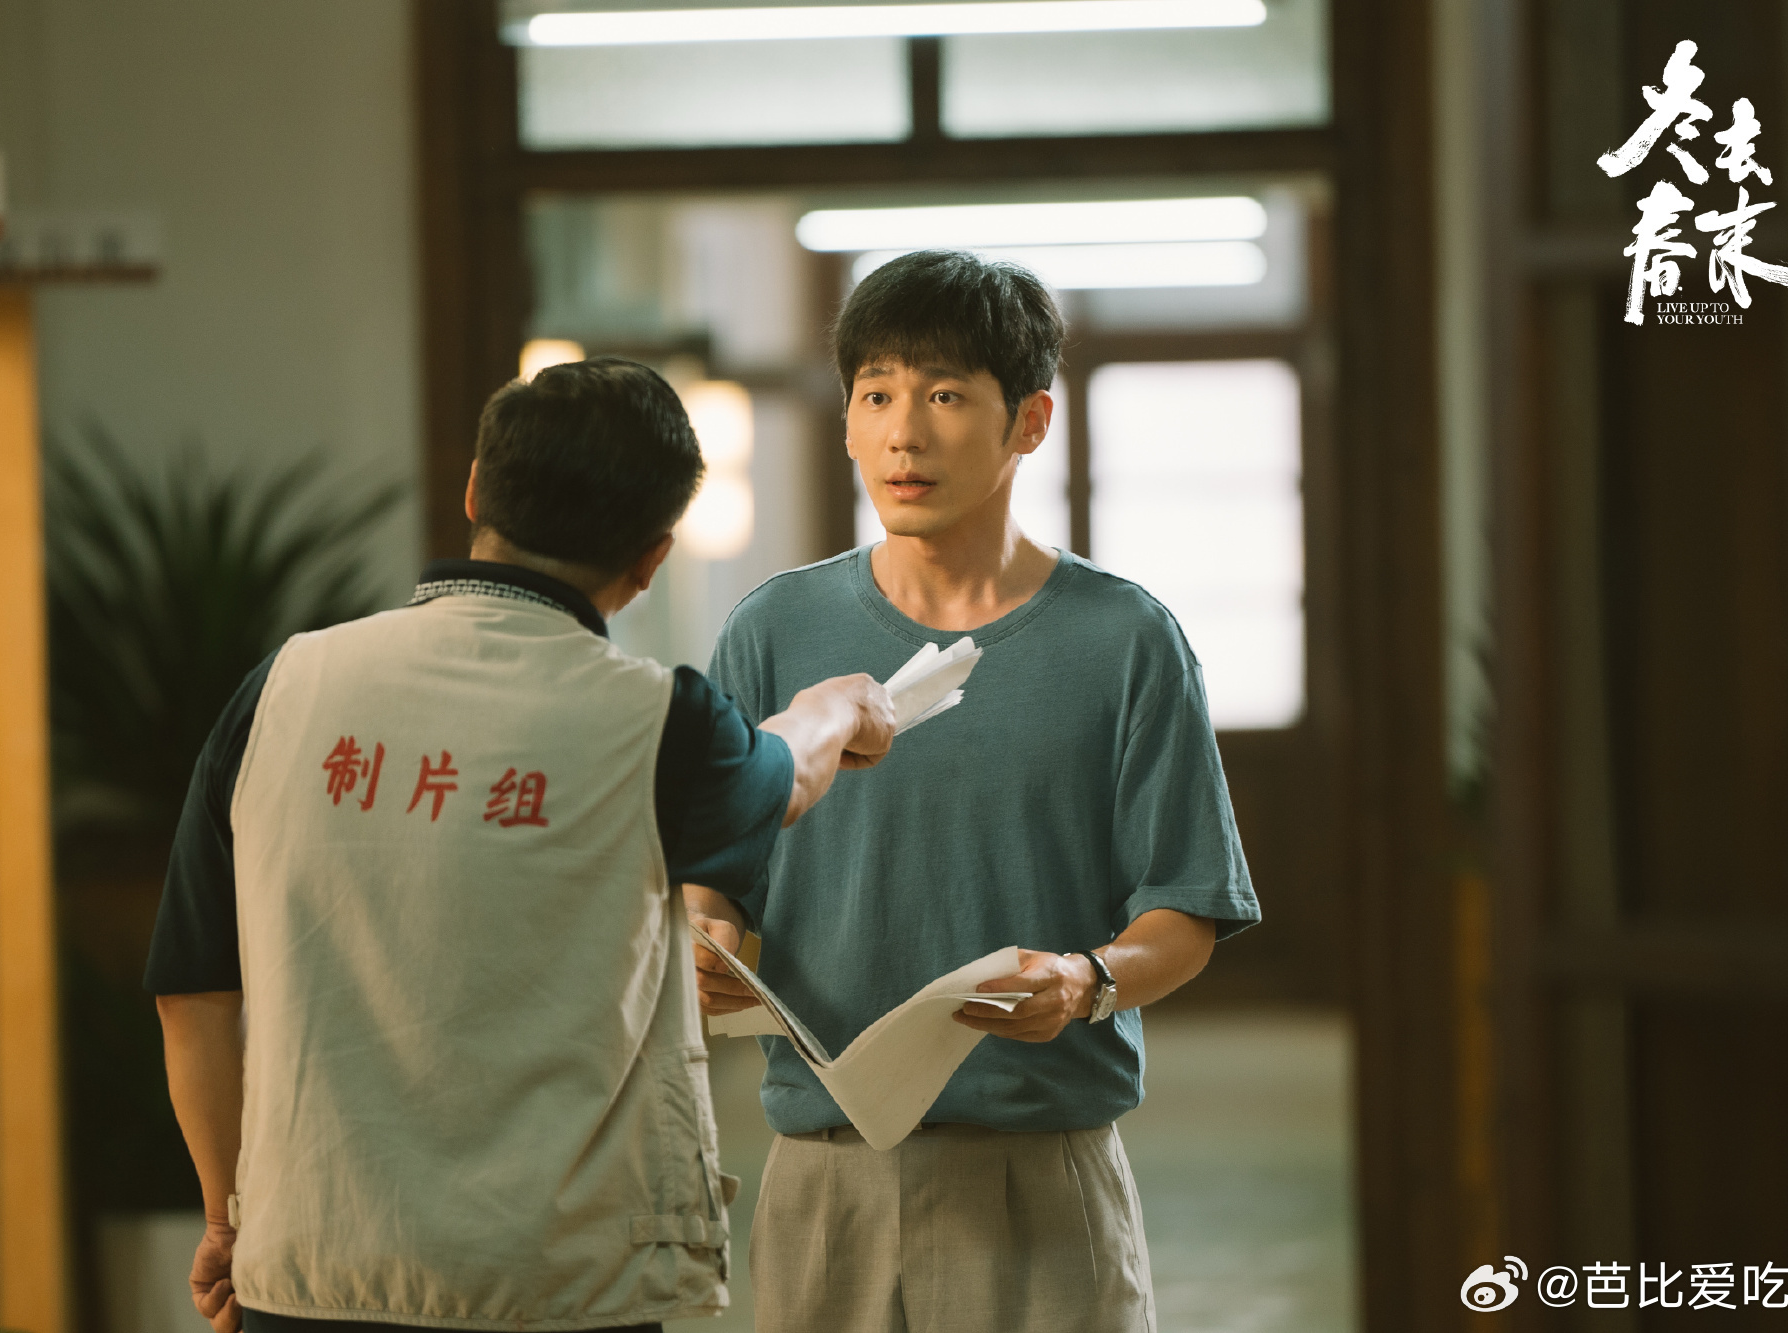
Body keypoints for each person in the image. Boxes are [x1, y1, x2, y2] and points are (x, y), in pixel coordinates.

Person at [147, 357, 895, 1333]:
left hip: (310, 1270)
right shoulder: (657, 724)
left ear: (474, 491)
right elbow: (784, 776)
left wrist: (227, 1217)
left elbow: (193, 996)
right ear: (652, 558)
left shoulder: (282, 688)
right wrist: (835, 706)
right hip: (554, 1283)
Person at [686, 250, 1262, 1333]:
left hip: (1041, 1174)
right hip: (822, 1175)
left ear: (1029, 421)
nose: (904, 433)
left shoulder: (1124, 640)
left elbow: (1185, 909)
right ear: (847, 422)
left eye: (945, 396)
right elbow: (709, 871)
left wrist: (1086, 980)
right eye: (877, 395)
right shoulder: (771, 629)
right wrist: (706, 936)